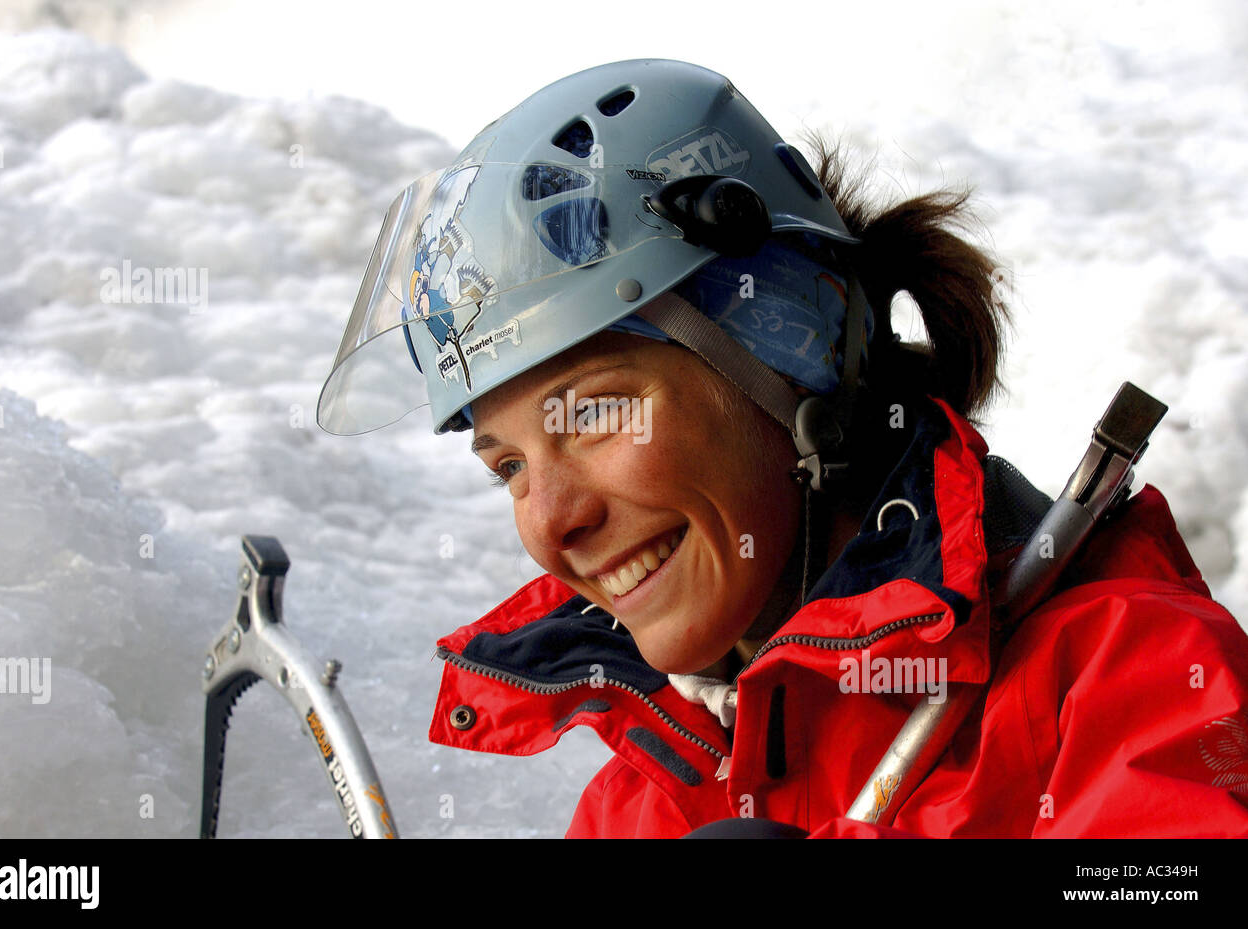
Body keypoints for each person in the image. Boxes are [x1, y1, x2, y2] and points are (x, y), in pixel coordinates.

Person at [317, 59, 1248, 837]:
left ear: (790, 347)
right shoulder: (641, 800)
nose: (554, 523)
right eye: (509, 467)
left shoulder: (1130, 675)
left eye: (593, 416)